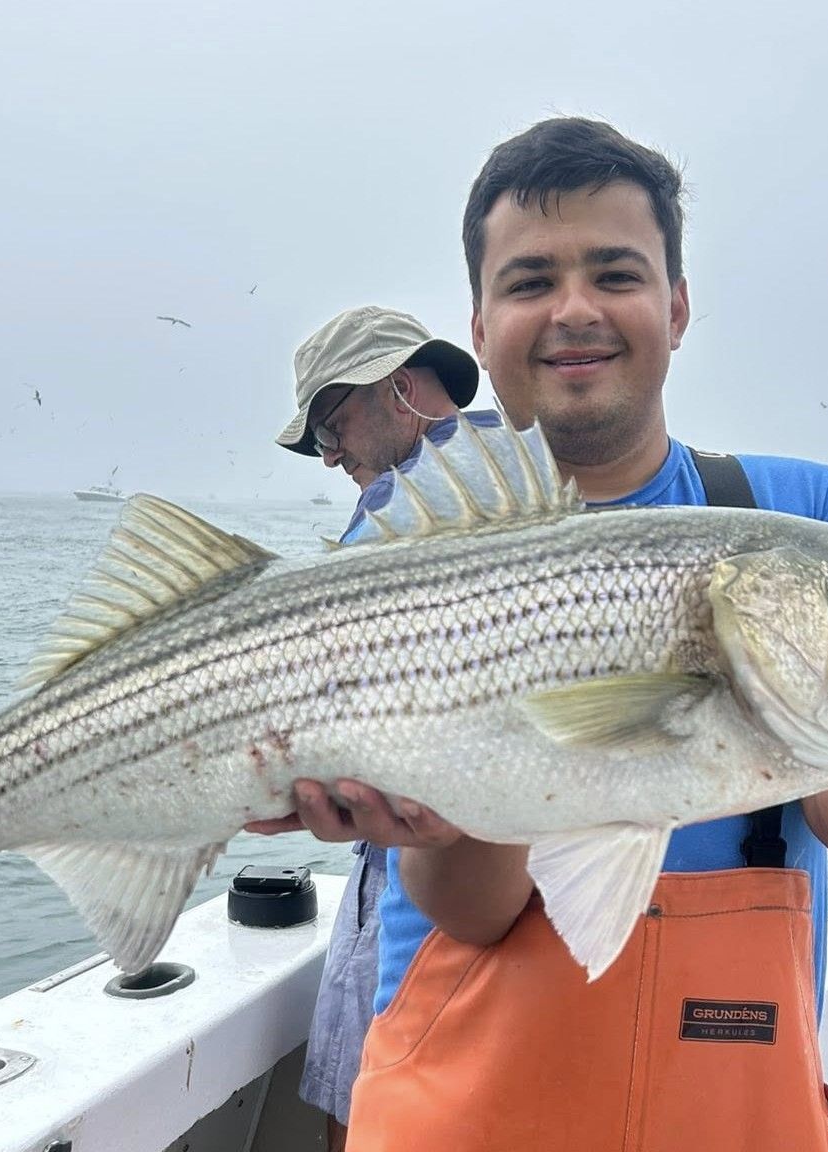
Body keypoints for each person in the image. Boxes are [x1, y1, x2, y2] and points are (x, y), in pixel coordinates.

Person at [275, 119, 828, 1151]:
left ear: (677, 307)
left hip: (732, 1103)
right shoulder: (407, 542)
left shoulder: (801, 510)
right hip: (462, 1096)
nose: (576, 308)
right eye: (531, 281)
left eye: (616, 273)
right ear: (481, 322)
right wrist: (463, 782)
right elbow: (471, 912)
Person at [268, 304, 486, 1152]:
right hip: (501, 878)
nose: (328, 455)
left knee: (365, 1099)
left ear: (401, 386)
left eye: (330, 424)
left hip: (412, 880)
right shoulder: (521, 466)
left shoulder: (402, 502)